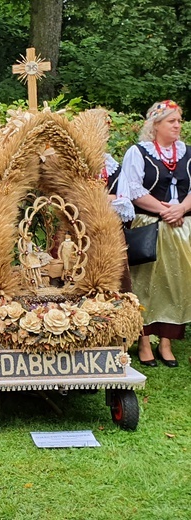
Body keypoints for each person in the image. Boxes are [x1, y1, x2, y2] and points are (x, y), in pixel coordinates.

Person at [117, 100, 191, 368]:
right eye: (172, 121)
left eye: (179, 121)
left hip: (182, 227)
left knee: (176, 283)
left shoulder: (188, 153)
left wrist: (181, 208)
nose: (178, 126)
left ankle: (167, 341)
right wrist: (165, 211)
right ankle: (145, 340)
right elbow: (133, 188)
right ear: (156, 124)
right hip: (148, 225)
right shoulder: (138, 153)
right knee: (145, 283)